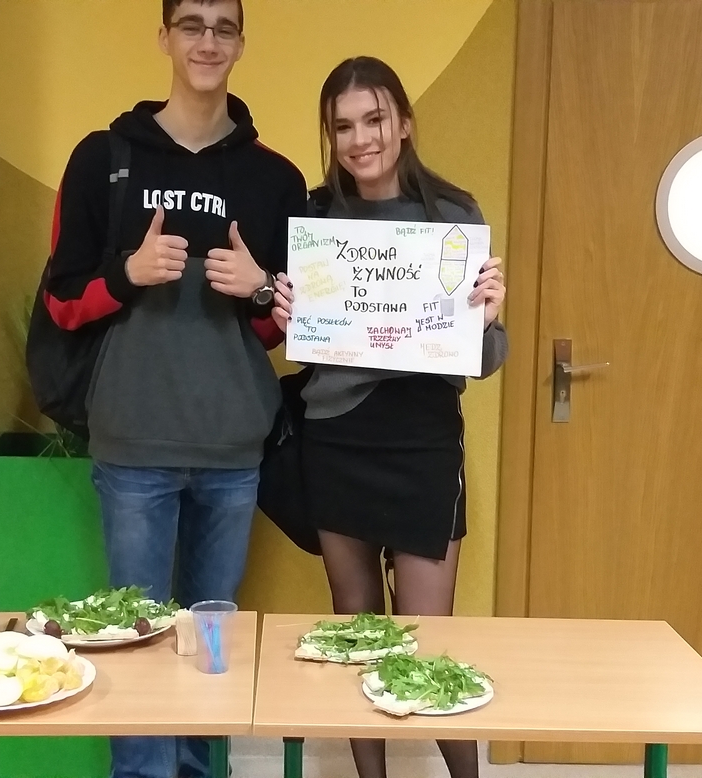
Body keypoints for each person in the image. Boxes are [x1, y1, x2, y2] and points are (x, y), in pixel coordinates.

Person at [38, 1, 306, 777]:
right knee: (135, 645)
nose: (207, 40)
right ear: (164, 38)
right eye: (192, 24)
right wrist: (127, 275)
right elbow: (61, 300)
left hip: (232, 452)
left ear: (241, 43)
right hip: (133, 449)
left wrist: (259, 289)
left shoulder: (276, 178)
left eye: (224, 27)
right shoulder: (103, 158)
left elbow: (288, 326)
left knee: (207, 655)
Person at [269, 56, 508, 778]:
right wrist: (285, 313)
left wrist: (486, 320)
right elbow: (299, 334)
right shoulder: (316, 221)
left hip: (423, 442)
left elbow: (486, 359)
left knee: (430, 642)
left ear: (404, 123)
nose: (360, 139)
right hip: (337, 439)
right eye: (342, 126)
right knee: (358, 633)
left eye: (373, 119)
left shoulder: (454, 217)